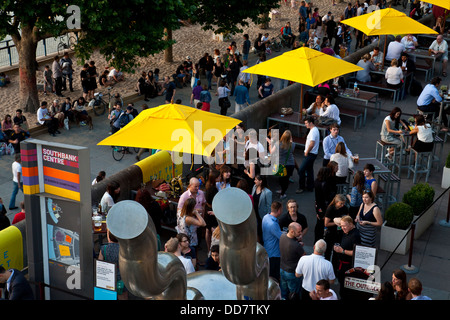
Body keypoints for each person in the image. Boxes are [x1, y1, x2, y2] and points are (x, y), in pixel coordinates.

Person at [333, 215, 361, 299]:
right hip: (342, 265)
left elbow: (357, 253)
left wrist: (342, 251)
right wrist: (342, 222)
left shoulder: (355, 235)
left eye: (344, 226)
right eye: (341, 226)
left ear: (351, 224)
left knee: (345, 289)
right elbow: (335, 220)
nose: (342, 228)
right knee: (342, 286)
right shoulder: (347, 230)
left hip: (348, 267)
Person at [98, 229, 128, 299]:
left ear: (109, 237)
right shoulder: (124, 250)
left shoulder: (104, 248)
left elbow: (100, 264)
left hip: (108, 278)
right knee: (123, 297)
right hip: (122, 279)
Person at [279, 222, 305, 300]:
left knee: (283, 292)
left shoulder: (282, 236)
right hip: (292, 273)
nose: (301, 233)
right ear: (292, 231)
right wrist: (299, 245)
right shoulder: (296, 246)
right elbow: (304, 256)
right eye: (299, 232)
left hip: (282, 269)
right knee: (294, 295)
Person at [268, 130, 295, 200]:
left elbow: (271, 152)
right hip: (290, 164)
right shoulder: (293, 144)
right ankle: (283, 191)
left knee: (281, 179)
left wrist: (270, 144)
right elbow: (292, 151)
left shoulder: (278, 144)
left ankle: (282, 192)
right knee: (286, 179)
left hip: (281, 164)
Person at [297, 116, 320, 193]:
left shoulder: (313, 131)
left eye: (306, 123)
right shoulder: (315, 130)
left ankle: (301, 187)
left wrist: (307, 151)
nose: (305, 125)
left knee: (301, 170)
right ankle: (310, 186)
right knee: (309, 170)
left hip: (310, 154)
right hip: (313, 153)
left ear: (311, 123)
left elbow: (312, 143)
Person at [262, 201, 284, 282]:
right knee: (274, 276)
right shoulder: (273, 224)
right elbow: (282, 237)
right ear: (278, 210)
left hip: (268, 249)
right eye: (281, 209)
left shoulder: (266, 217)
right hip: (274, 253)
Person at [324, 194, 348, 262]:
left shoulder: (345, 208)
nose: (342, 205)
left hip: (340, 233)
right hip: (331, 233)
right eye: (341, 203)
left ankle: (335, 268)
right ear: (336, 202)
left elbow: (348, 218)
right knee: (328, 252)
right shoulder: (330, 209)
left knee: (337, 253)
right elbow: (326, 224)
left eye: (344, 203)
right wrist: (337, 222)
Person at [251, 174, 272, 244]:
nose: (254, 181)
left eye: (256, 180)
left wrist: (268, 218)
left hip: (262, 215)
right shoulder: (254, 187)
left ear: (261, 181)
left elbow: (269, 206)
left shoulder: (267, 192)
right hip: (254, 213)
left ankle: (263, 245)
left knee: (261, 231)